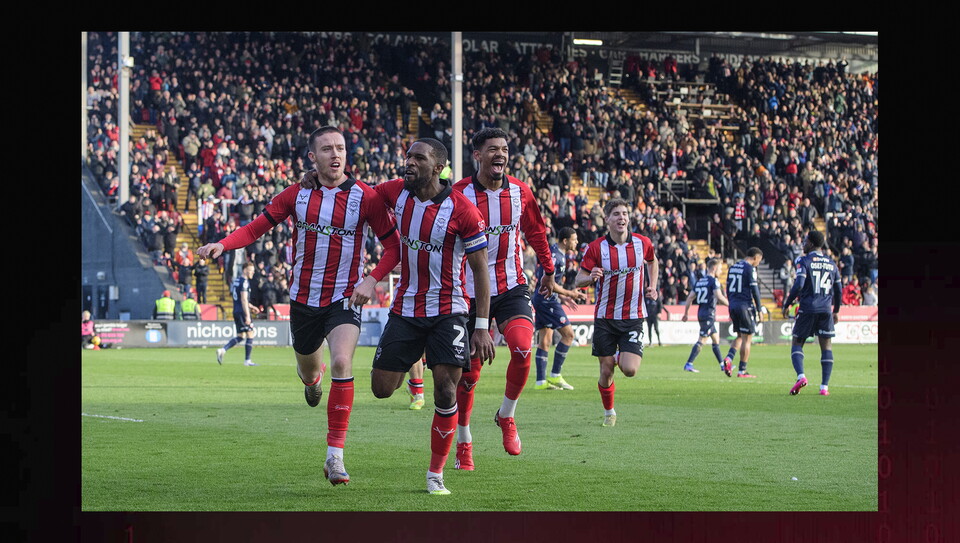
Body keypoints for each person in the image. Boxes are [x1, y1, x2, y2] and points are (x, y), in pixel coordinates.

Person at [201, 126, 401, 486]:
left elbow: (393, 248)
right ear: (313, 157)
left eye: (340, 148)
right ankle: (313, 380)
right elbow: (256, 228)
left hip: (345, 298)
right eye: (327, 149)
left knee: (342, 360)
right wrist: (224, 245)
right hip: (303, 299)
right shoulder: (296, 195)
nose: (335, 154)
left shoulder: (365, 197)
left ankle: (334, 457)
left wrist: (372, 279)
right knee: (310, 372)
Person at [367, 137, 495, 496]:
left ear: (437, 167)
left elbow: (480, 271)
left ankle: (436, 472)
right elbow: (358, 193)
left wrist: (481, 327)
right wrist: (318, 179)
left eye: (418, 158)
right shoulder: (395, 192)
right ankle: (419, 356)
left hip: (449, 312)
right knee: (381, 389)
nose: (409, 162)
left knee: (445, 390)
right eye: (407, 156)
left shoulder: (463, 210)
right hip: (406, 309)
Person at [450, 127, 556, 469]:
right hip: (468, 292)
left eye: (505, 149)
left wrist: (549, 268)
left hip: (512, 286)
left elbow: (536, 231)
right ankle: (464, 438)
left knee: (524, 348)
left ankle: (506, 416)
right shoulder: (459, 193)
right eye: (493, 149)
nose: (500, 154)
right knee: (468, 376)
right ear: (477, 155)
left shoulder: (520, 192)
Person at [574, 198, 658, 427]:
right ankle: (609, 411)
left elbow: (652, 261)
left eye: (624, 214)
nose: (622, 218)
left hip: (633, 317)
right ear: (607, 220)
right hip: (605, 317)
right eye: (617, 214)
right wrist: (589, 278)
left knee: (630, 370)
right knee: (606, 369)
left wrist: (653, 285)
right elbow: (577, 280)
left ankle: (620, 355)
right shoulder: (596, 248)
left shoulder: (642, 243)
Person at [781, 230, 841, 396]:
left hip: (808, 308)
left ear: (812, 244)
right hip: (825, 309)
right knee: (826, 346)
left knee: (797, 343)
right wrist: (836, 311)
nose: (803, 244)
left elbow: (799, 284)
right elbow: (838, 289)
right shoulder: (832, 263)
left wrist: (787, 303)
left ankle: (801, 376)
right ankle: (824, 388)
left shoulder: (804, 260)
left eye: (806, 241)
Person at [532, 226, 587, 391]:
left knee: (545, 341)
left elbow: (548, 282)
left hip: (543, 298)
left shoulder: (555, 253)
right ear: (565, 241)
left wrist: (563, 297)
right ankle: (555, 375)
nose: (576, 242)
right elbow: (549, 282)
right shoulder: (557, 257)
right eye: (574, 239)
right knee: (569, 335)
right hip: (547, 301)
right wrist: (569, 293)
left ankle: (541, 382)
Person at [722, 247, 766, 378]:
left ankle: (729, 359)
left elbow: (728, 288)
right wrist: (759, 309)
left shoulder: (733, 267)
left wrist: (731, 303)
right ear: (755, 257)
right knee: (748, 338)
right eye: (759, 260)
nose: (758, 263)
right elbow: (755, 290)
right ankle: (742, 370)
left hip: (733, 305)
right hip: (745, 306)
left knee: (740, 336)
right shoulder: (749, 269)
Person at [681, 259, 730, 372]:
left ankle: (723, 365)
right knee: (702, 340)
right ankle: (689, 363)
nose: (721, 271)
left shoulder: (700, 281)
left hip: (701, 312)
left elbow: (689, 298)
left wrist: (686, 313)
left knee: (715, 339)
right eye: (720, 268)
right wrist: (730, 305)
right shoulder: (713, 281)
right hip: (708, 314)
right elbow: (719, 296)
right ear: (714, 268)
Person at [213, 262, 261, 366]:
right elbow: (243, 299)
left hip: (236, 310)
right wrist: (248, 316)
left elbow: (240, 299)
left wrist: (251, 307)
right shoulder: (244, 282)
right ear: (245, 270)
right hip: (242, 312)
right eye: (250, 270)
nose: (252, 272)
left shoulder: (237, 281)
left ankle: (223, 350)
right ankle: (247, 360)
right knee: (250, 333)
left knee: (241, 336)